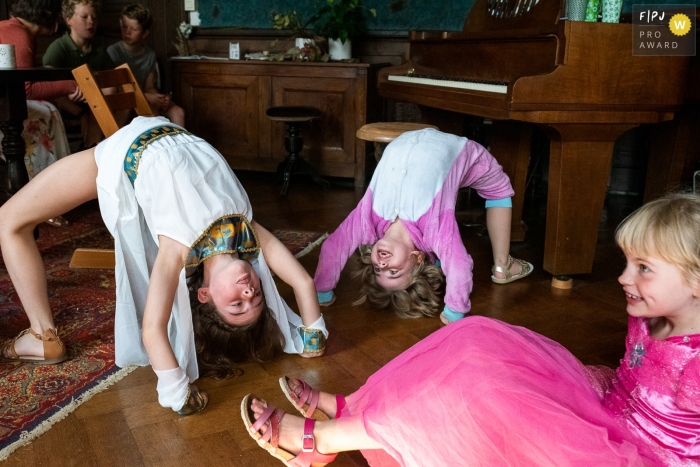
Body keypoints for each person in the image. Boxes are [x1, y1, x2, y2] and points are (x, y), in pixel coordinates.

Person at [243, 192, 700, 467]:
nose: (623, 277)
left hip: (630, 452)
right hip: (602, 401)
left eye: (643, 268)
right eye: (627, 263)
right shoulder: (650, 310)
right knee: (476, 336)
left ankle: (320, 442)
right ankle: (352, 405)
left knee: (480, 393)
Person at [0, 116, 328, 416]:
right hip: (168, 133)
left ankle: (42, 334)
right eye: (256, 297)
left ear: (203, 295)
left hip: (119, 154)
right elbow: (302, 283)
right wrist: (312, 338)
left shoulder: (177, 246)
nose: (249, 291)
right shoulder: (245, 229)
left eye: (237, 303)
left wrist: (176, 391)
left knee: (8, 220)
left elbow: (152, 330)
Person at [314, 128, 532, 325]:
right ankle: (503, 266)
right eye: (393, 271)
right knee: (499, 189)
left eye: (378, 269)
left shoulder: (366, 221)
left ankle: (441, 258)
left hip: (408, 137)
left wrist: (323, 291)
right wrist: (455, 311)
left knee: (447, 190)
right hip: (459, 151)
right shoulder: (433, 229)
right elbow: (459, 265)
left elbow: (334, 246)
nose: (381, 263)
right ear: (417, 257)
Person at [0, 0, 85, 226]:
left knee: (44, 111)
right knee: (47, 113)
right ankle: (46, 199)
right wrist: (70, 85)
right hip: (3, 108)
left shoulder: (9, 27)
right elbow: (25, 89)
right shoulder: (20, 35)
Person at [43, 0, 115, 147]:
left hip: (96, 106)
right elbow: (49, 87)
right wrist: (80, 113)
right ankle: (95, 146)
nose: (91, 22)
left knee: (117, 90)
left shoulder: (99, 50)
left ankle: (105, 144)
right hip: (67, 107)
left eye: (94, 18)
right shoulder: (58, 48)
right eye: (84, 17)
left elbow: (112, 82)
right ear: (69, 20)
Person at [107, 4, 185, 127]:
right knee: (152, 113)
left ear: (145, 33)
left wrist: (159, 98)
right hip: (124, 99)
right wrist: (148, 97)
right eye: (125, 27)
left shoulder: (150, 55)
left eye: (134, 29)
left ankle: (179, 145)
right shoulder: (113, 52)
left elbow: (149, 86)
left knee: (178, 112)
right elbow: (117, 89)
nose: (127, 32)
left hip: (144, 96)